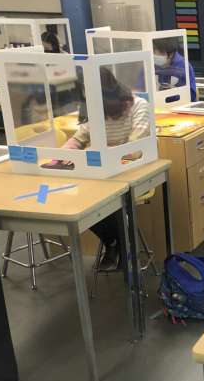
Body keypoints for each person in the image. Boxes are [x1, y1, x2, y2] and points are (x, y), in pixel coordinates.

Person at [60, 68, 151, 270]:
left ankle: (120, 244)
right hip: (101, 172)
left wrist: (98, 151)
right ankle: (115, 241)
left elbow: (133, 149)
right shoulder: (96, 108)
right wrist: (66, 153)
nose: (86, 98)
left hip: (131, 172)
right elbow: (79, 137)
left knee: (100, 199)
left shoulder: (139, 107)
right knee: (76, 201)